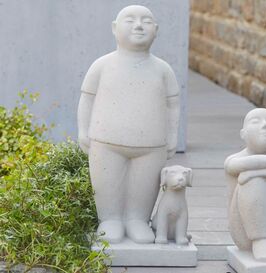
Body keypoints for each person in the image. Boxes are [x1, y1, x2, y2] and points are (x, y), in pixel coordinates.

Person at [77, 5, 180, 244]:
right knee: (106, 184)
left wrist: (172, 135)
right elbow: (87, 98)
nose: (138, 25)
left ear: (156, 30)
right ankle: (109, 219)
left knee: (144, 186)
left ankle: (137, 220)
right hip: (106, 141)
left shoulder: (163, 69)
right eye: (130, 20)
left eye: (146, 21)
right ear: (114, 28)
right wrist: (83, 130)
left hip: (151, 144)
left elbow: (172, 105)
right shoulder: (102, 65)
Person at [225, 108, 266, 261]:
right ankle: (262, 241)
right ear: (243, 134)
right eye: (256, 121)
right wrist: (254, 175)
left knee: (250, 176)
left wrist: (253, 172)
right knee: (254, 181)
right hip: (246, 232)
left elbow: (251, 169)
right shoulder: (235, 160)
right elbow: (239, 166)